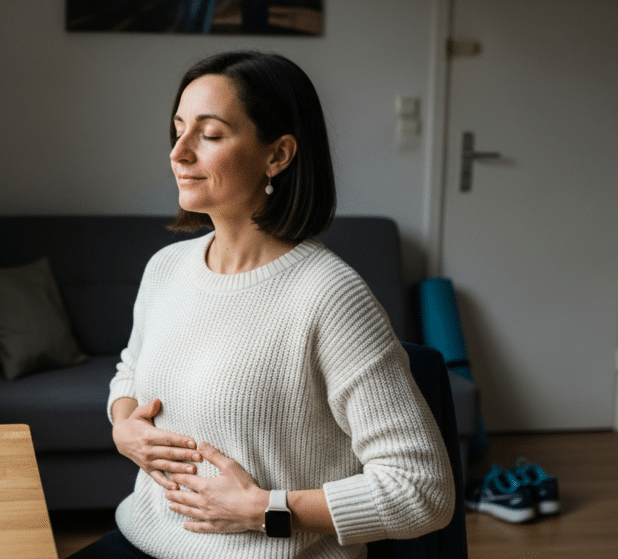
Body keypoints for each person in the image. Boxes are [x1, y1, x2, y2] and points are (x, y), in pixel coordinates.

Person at [71, 50, 453, 559]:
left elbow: (422, 491)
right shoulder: (165, 268)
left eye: (209, 134)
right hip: (143, 539)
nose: (179, 152)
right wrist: (124, 426)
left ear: (277, 156)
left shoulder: (330, 296)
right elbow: (130, 372)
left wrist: (265, 509)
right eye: (178, 130)